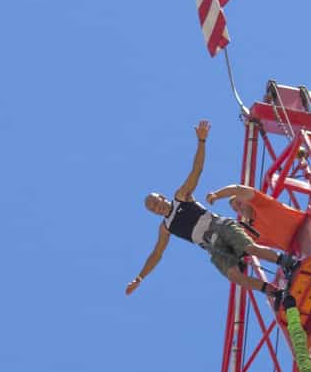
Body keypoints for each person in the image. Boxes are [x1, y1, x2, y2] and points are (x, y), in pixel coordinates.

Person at [125, 121, 300, 300]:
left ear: (162, 197)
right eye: (152, 209)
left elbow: (196, 171)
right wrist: (140, 277)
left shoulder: (180, 197)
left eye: (155, 202)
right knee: (235, 276)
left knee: (249, 248)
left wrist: (201, 142)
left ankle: (287, 262)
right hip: (212, 247)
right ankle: (273, 291)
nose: (156, 208)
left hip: (219, 226)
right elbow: (156, 254)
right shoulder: (165, 227)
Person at [206, 183, 305, 250]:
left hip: (307, 226)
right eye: (236, 210)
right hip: (300, 250)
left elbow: (236, 189)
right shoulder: (251, 232)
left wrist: (216, 195)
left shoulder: (261, 203)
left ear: (246, 199)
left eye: (239, 204)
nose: (239, 210)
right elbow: (236, 244)